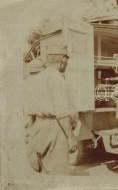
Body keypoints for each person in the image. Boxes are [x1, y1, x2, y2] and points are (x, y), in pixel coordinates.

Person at [25, 45, 77, 174]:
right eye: (67, 60)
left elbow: (29, 109)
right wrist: (71, 137)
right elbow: (62, 114)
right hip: (55, 127)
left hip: (38, 126)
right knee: (58, 172)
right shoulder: (57, 79)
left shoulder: (37, 78)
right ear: (63, 60)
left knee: (42, 169)